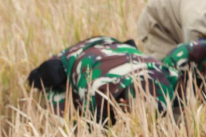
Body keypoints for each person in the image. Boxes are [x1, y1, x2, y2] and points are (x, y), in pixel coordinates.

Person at [28, 36, 174, 124]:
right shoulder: (97, 90)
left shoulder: (165, 75)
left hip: (109, 44)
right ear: (122, 103)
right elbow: (94, 130)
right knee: (66, 123)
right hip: (71, 61)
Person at [137, 0, 206, 59]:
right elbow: (194, 57)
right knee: (167, 69)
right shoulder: (197, 21)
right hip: (159, 23)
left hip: (184, 10)